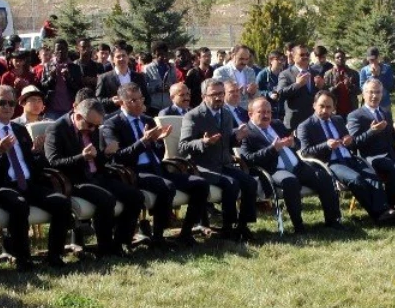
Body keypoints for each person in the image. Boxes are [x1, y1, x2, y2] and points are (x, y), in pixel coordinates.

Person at [0, 85, 72, 270]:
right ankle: (23, 258)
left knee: (62, 202)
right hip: (0, 186)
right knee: (19, 204)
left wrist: (38, 153)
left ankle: (54, 255)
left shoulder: (20, 129)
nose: (7, 107)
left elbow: (31, 163)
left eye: (11, 103)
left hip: (28, 183)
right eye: (2, 103)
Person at [102, 86, 208, 249]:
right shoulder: (112, 124)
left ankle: (185, 233)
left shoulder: (147, 120)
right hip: (132, 172)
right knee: (166, 187)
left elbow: (158, 153)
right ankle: (158, 237)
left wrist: (158, 141)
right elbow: (118, 157)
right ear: (122, 102)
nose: (139, 104)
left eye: (141, 99)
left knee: (200, 184)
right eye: (133, 100)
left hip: (157, 168)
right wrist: (144, 141)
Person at [48, 94, 146, 257]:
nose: (93, 129)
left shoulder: (93, 127)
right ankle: (105, 248)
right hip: (74, 180)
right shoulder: (57, 128)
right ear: (78, 115)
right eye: (90, 125)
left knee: (135, 196)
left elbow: (97, 159)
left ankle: (121, 242)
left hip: (97, 175)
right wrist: (81, 157)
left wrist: (106, 154)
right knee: (106, 199)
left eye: (96, 126)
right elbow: (53, 162)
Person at [295, 92, 395, 226]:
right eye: (321, 106)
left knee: (372, 177)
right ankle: (379, 215)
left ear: (333, 107)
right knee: (356, 179)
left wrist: (348, 140)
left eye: (329, 107)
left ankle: (384, 211)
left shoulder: (338, 120)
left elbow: (349, 141)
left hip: (348, 157)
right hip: (330, 162)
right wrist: (326, 145)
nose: (325, 110)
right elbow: (305, 152)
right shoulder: (306, 126)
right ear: (314, 105)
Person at [240, 96, 342, 232]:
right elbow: (248, 159)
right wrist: (273, 149)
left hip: (297, 165)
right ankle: (298, 226)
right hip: (274, 169)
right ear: (251, 114)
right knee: (290, 182)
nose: (266, 115)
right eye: (261, 112)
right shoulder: (246, 133)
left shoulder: (277, 124)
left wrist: (293, 143)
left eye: (269, 112)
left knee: (323, 177)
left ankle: (333, 221)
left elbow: (297, 144)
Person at [177, 77, 258, 242]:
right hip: (203, 167)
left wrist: (237, 138)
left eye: (221, 94)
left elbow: (227, 142)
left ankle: (242, 226)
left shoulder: (226, 113)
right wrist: (203, 142)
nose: (218, 98)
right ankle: (228, 228)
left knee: (250, 182)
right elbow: (183, 146)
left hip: (224, 163)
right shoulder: (193, 116)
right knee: (231, 184)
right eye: (214, 94)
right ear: (203, 96)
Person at [346, 79, 395, 211]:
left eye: (377, 92)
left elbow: (392, 139)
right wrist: (372, 131)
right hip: (371, 157)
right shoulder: (356, 115)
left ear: (382, 94)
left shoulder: (385, 112)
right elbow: (354, 143)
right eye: (371, 92)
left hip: (391, 153)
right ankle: (390, 206)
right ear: (363, 94)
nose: (374, 96)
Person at [358, 48, 395, 118]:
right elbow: (362, 87)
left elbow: (390, 86)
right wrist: (373, 76)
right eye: (370, 60)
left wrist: (379, 76)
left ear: (378, 58)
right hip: (370, 102)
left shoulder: (387, 69)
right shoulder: (364, 70)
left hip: (384, 103)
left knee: (387, 122)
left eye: (374, 59)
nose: (372, 62)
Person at [322, 50, 361, 116]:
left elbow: (359, 91)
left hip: (351, 109)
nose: (340, 59)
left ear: (345, 58)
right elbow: (325, 93)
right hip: (335, 110)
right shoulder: (328, 74)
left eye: (342, 57)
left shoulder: (354, 73)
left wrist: (350, 86)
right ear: (334, 59)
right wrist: (335, 88)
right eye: (338, 57)